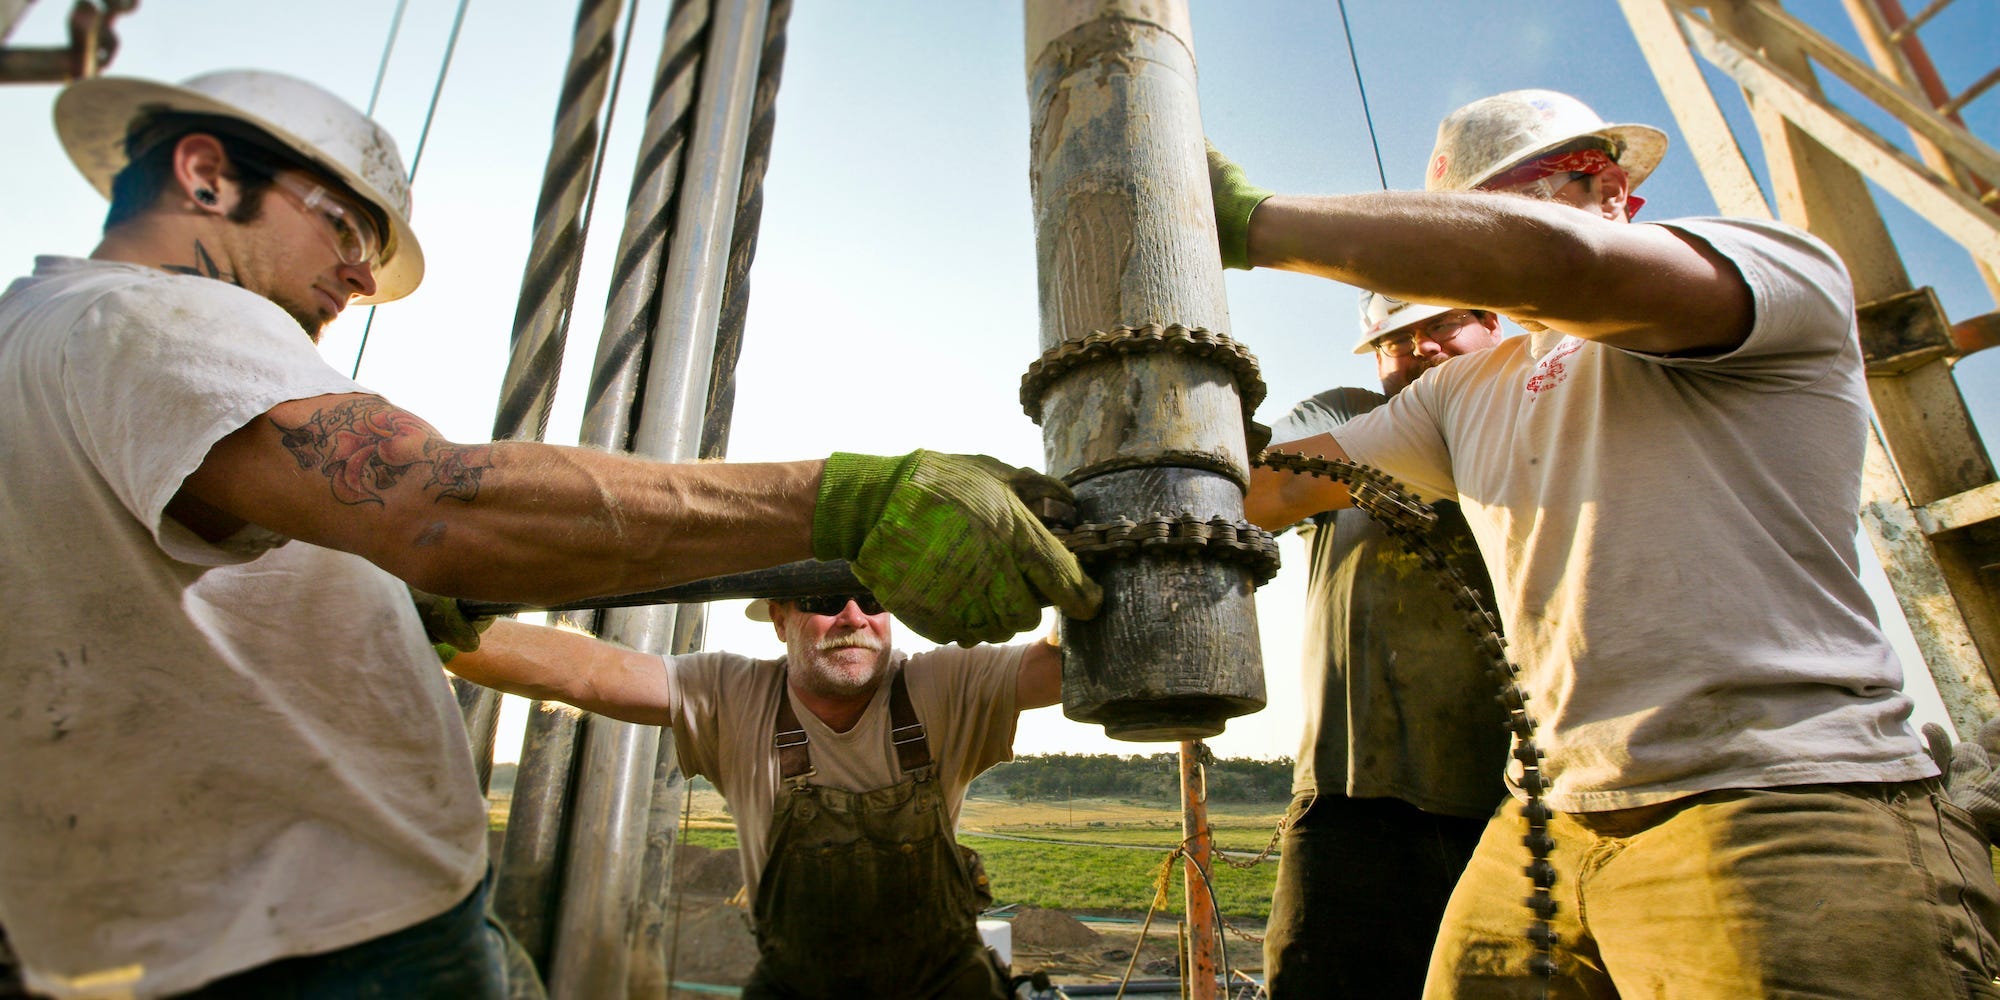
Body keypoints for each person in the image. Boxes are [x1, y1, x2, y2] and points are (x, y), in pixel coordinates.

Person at [0, 69, 1098, 1000]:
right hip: (328, 939)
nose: (354, 278)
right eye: (344, 228)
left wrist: (382, 600)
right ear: (206, 175)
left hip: (167, 933)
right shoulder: (153, 319)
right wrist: (847, 496)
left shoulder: (36, 344)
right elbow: (438, 505)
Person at [1216, 89, 2000, 996]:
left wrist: (1253, 224)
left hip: (1778, 802)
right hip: (1548, 825)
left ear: (1608, 186)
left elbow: (1562, 263)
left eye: (1506, 205)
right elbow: (1260, 490)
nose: (1479, 240)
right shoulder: (1466, 392)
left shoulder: (1769, 270)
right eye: (1470, 215)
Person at [446, 591, 1059, 999]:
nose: (852, 618)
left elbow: (1063, 666)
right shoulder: (732, 694)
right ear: (779, 618)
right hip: (796, 989)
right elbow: (583, 672)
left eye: (870, 599)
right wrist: (429, 618)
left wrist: (1066, 574)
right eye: (822, 600)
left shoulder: (945, 682)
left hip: (946, 988)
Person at [1254, 292, 1509, 997]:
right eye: (1398, 341)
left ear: (1495, 322)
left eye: (1442, 326)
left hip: (1517, 804)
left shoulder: (1536, 410)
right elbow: (1252, 485)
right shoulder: (1350, 415)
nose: (1421, 348)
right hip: (1351, 800)